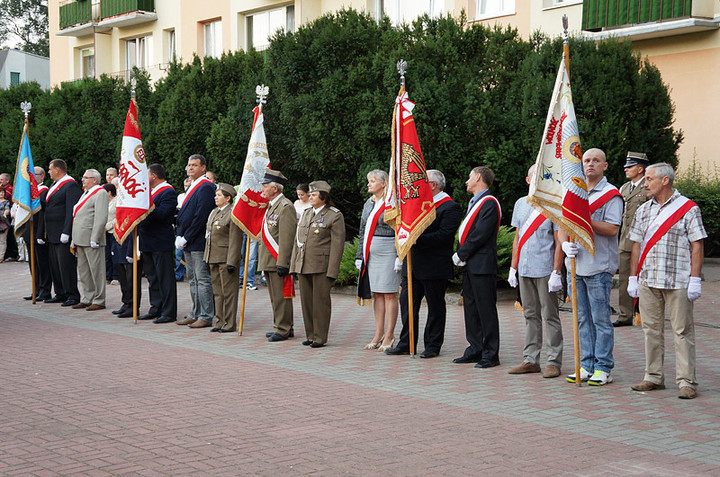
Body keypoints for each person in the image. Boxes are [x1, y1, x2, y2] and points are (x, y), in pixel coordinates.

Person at [627, 163, 707, 399]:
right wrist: (633, 277)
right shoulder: (643, 209)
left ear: (665, 181)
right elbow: (636, 244)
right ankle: (653, 377)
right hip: (649, 278)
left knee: (682, 331)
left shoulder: (688, 209)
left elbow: (697, 244)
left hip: (678, 279)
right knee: (651, 330)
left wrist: (695, 279)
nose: (645, 183)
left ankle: (686, 381)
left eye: (649, 179)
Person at [561, 148, 623, 386]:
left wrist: (584, 218)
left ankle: (603, 367)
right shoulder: (575, 190)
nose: (590, 164)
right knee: (581, 319)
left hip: (598, 266)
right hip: (575, 264)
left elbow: (611, 228)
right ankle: (585, 364)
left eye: (596, 161)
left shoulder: (610, 195)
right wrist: (565, 245)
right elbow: (563, 223)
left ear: (605, 166)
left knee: (600, 320)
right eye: (586, 160)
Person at [385, 169, 462, 358]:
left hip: (434, 265)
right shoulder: (416, 206)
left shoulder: (449, 207)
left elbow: (444, 236)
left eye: (421, 183)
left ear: (433, 185)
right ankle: (406, 342)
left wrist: (415, 239)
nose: (416, 187)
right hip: (412, 264)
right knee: (407, 304)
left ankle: (432, 345)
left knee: (435, 307)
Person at [506, 165, 564, 378]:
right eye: (535, 177)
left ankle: (553, 361)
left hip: (545, 269)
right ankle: (531, 359)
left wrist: (557, 271)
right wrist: (513, 267)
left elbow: (559, 241)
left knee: (550, 315)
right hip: (525, 268)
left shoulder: (553, 205)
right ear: (528, 180)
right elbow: (518, 237)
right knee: (530, 314)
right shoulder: (521, 204)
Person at [452, 166, 502, 368]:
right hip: (471, 264)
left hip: (482, 264)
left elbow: (480, 234)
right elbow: (466, 232)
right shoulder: (475, 202)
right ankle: (474, 348)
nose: (466, 181)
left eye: (469, 176)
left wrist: (461, 253)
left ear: (478, 178)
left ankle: (491, 354)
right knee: (471, 309)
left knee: (485, 309)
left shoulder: (489, 203)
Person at [290, 180, 345, 348]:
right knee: (307, 302)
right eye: (310, 194)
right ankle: (310, 334)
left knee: (320, 303)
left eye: (314, 195)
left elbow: (337, 245)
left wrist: (332, 271)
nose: (310, 197)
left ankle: (320, 336)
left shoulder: (334, 215)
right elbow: (297, 240)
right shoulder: (306, 213)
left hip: (321, 266)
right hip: (304, 264)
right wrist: (293, 265)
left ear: (324, 197)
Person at [356, 170, 401, 352]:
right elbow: (362, 230)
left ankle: (390, 334)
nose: (369, 184)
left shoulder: (392, 202)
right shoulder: (369, 203)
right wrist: (360, 255)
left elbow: (400, 228)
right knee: (377, 294)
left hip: (389, 250)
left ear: (384, 184)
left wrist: (400, 255)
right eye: (369, 181)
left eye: (372, 181)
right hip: (371, 252)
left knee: (389, 293)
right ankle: (378, 333)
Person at [175, 154, 216, 328]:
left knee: (202, 278)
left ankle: (206, 315)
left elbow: (201, 215)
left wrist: (187, 236)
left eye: (194, 165)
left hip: (198, 240)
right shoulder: (192, 186)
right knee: (191, 278)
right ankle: (195, 312)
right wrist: (180, 234)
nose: (190, 168)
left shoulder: (206, 187)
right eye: (189, 165)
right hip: (188, 240)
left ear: (203, 168)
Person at [258, 169, 298, 342]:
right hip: (268, 258)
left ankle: (283, 328)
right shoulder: (272, 206)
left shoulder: (285, 207)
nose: (262, 189)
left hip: (277, 259)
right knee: (275, 296)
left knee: (281, 296)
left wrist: (283, 262)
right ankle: (280, 325)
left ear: (275, 189)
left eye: (265, 186)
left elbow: (287, 238)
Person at [138, 164, 178, 324]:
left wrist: (145, 204)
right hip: (147, 240)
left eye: (146, 174)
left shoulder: (168, 191)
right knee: (152, 278)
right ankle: (156, 307)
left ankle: (168, 312)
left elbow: (162, 215)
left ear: (154, 176)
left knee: (164, 278)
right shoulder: (150, 192)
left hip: (160, 241)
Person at [615, 151, 650, 327]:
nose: (626, 169)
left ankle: (644, 313)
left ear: (640, 168)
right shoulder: (624, 188)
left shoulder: (648, 186)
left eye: (630, 166)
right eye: (626, 166)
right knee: (624, 278)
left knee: (644, 278)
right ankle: (625, 315)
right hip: (625, 239)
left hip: (644, 240)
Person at [204, 183, 242, 332]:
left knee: (229, 293)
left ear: (228, 198)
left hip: (226, 258)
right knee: (218, 292)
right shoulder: (214, 212)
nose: (215, 197)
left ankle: (229, 323)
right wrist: (207, 257)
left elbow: (235, 239)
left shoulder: (232, 214)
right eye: (216, 195)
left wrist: (232, 261)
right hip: (213, 257)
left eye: (219, 195)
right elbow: (209, 236)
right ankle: (219, 320)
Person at [44, 159, 82, 306]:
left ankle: (72, 294)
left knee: (66, 265)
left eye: (50, 169)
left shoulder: (70, 185)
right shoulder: (54, 185)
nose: (49, 172)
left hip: (63, 233)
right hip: (52, 232)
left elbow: (70, 210)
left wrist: (67, 231)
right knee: (55, 265)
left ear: (58, 170)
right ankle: (60, 292)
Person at [71, 169, 109, 311]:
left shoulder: (100, 192)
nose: (83, 180)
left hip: (91, 238)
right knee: (84, 271)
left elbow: (100, 217)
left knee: (96, 271)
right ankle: (87, 297)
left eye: (86, 177)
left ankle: (99, 299)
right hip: (80, 238)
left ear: (94, 180)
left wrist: (95, 237)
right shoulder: (85, 193)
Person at [22, 166, 52, 301]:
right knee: (33, 264)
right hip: (29, 232)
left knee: (42, 264)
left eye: (35, 175)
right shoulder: (27, 193)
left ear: (42, 177)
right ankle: (36, 289)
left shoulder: (43, 191)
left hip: (39, 233)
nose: (32, 178)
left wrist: (40, 234)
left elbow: (42, 215)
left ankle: (44, 291)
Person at [175, 177, 191, 282]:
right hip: (180, 227)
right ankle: (178, 274)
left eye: (189, 185)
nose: (187, 187)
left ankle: (189, 273)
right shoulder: (181, 196)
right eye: (185, 185)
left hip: (190, 227)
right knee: (178, 253)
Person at [0, 172, 18, 261]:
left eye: (2, 179)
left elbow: (8, 199)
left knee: (8, 235)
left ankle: (11, 254)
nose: (0, 181)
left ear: (7, 180)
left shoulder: (9, 189)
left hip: (7, 215)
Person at [104, 183, 118, 284]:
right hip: (105, 232)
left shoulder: (117, 201)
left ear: (109, 192)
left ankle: (116, 276)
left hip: (113, 231)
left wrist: (108, 226)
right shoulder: (104, 202)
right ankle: (107, 276)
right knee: (107, 254)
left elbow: (118, 218)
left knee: (114, 253)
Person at [0, 186, 10, 262]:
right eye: (0, 192)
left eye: (3, 192)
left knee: (2, 241)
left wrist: (5, 213)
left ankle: (1, 257)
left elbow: (7, 210)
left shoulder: (6, 202)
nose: (1, 194)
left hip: (3, 223)